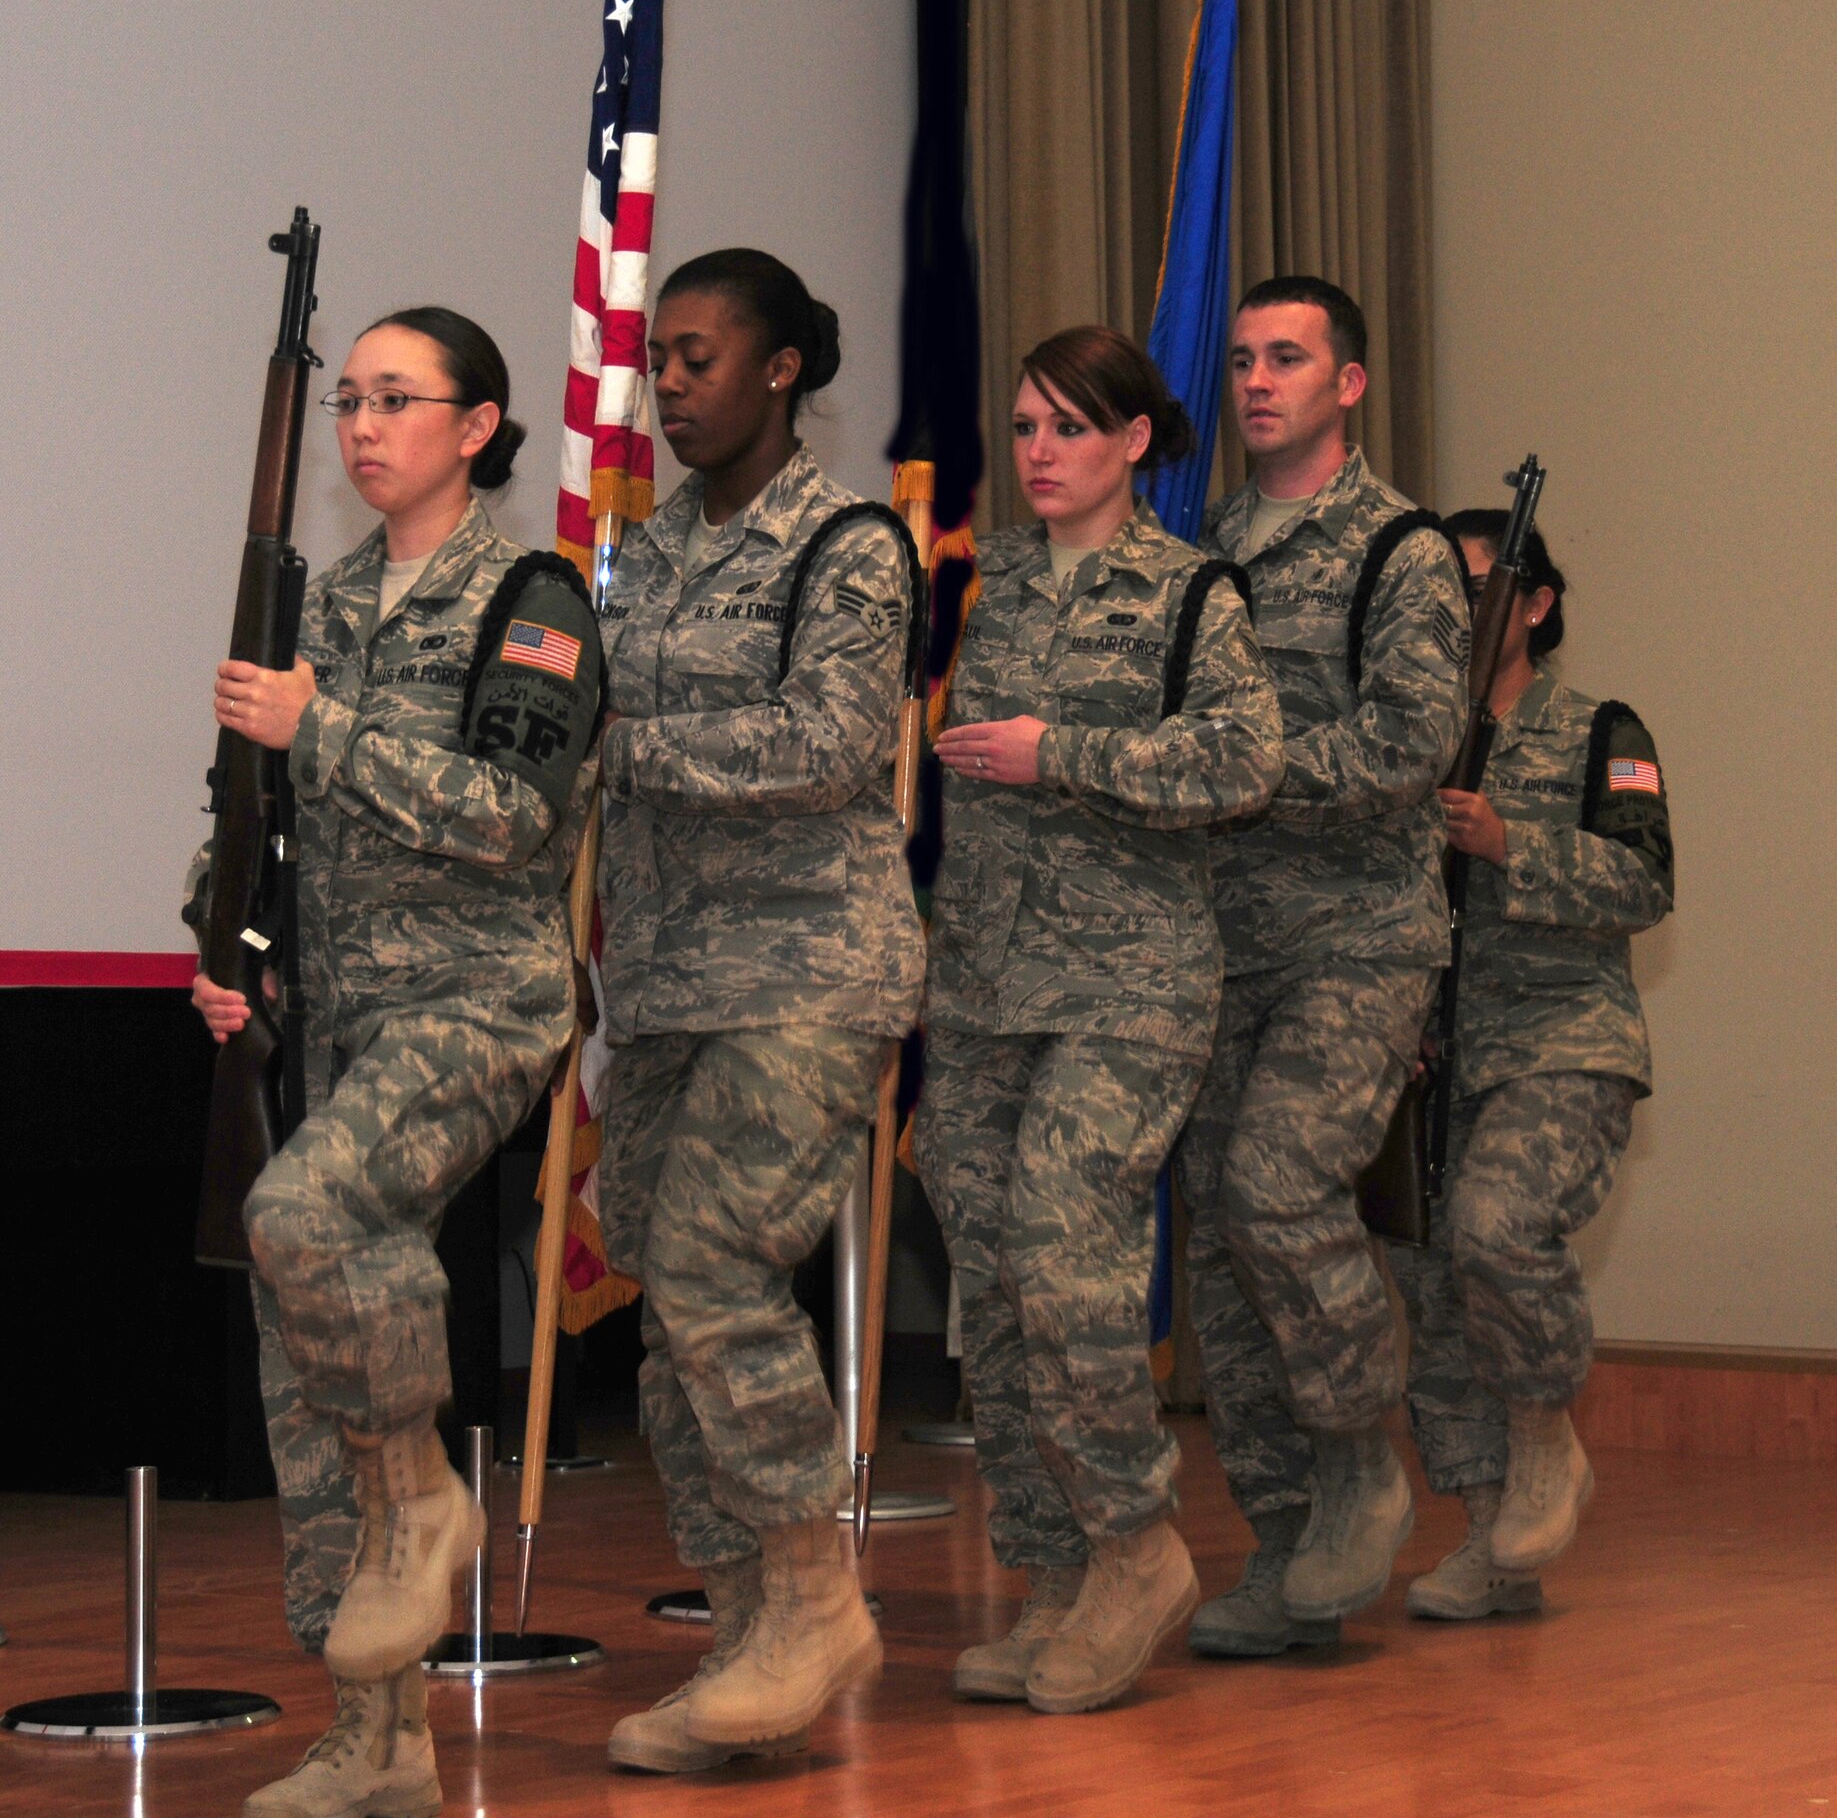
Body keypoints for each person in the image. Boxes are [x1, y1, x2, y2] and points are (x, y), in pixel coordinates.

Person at [187, 307, 603, 1818]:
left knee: (304, 1219)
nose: (363, 427)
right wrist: (221, 949)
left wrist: (329, 730)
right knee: (300, 1373)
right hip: (337, 1016)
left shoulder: (535, 595)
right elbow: (240, 812)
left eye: (396, 399)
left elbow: (513, 814)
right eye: (349, 400)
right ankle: (377, 1738)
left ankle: (429, 1496)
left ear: (479, 424)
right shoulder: (319, 601)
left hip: (476, 999)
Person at [914, 325, 1285, 1715]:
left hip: (1130, 984)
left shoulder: (1191, 592)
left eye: (1070, 427)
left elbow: (1246, 763)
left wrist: (1055, 755)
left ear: (1135, 441)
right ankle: (1054, 1571)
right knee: (996, 1278)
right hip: (987, 982)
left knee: (1067, 1255)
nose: (1042, 453)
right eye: (1023, 428)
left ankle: (1137, 1548)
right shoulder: (990, 579)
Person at [591, 248, 925, 1773]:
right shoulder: (641, 555)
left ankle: (812, 1594)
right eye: (658, 358)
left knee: (720, 1262)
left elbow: (832, 739)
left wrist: (623, 748)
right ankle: (747, 1630)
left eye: (700, 357)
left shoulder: (846, 546)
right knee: (671, 1314)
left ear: (782, 369)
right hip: (662, 985)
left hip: (808, 971)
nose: (669, 384)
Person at [1178, 276, 1470, 1656]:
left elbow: (1411, 748)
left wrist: (1239, 772)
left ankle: (1361, 1452)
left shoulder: (1397, 549)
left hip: (1356, 933)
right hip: (1215, 940)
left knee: (1278, 1186)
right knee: (1221, 1255)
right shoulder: (1203, 542)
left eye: (1286, 357)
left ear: (1348, 381)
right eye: (1240, 359)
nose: (1255, 380)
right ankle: (1286, 1539)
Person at [1391, 511, 1674, 1619]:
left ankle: (1549, 1432)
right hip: (1429, 1052)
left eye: (1476, 586)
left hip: (1560, 1039)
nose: (1455, 611)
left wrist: (1513, 844)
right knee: (1436, 1288)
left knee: (1495, 1226)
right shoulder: (1406, 741)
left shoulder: (1603, 729)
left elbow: (1645, 881)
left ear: (1536, 602)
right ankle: (1488, 1531)